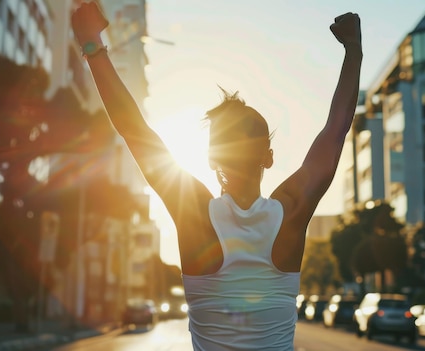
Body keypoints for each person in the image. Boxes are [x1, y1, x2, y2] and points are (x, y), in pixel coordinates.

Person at [71, 3, 362, 350]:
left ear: (212, 158)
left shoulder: (195, 212)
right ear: (268, 158)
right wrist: (354, 51)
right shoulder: (291, 211)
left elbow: (134, 129)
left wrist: (92, 43)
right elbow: (336, 129)